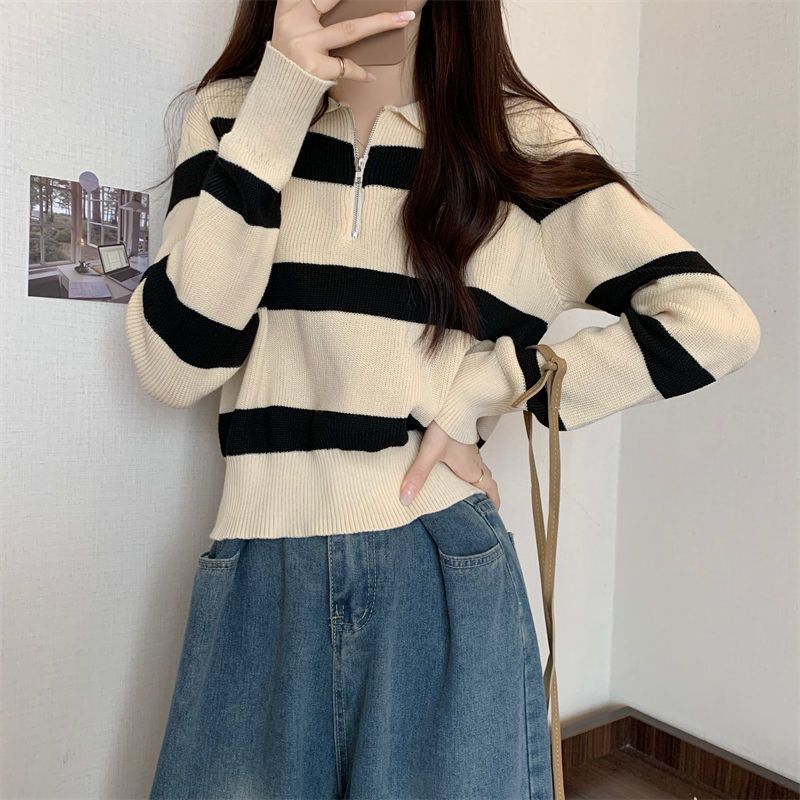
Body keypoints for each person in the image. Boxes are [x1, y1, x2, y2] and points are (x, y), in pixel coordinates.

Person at [126, 1, 761, 797]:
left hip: (437, 563)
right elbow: (175, 366)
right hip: (263, 570)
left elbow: (714, 321)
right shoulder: (233, 117)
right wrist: (280, 100)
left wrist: (488, 387)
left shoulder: (515, 141)